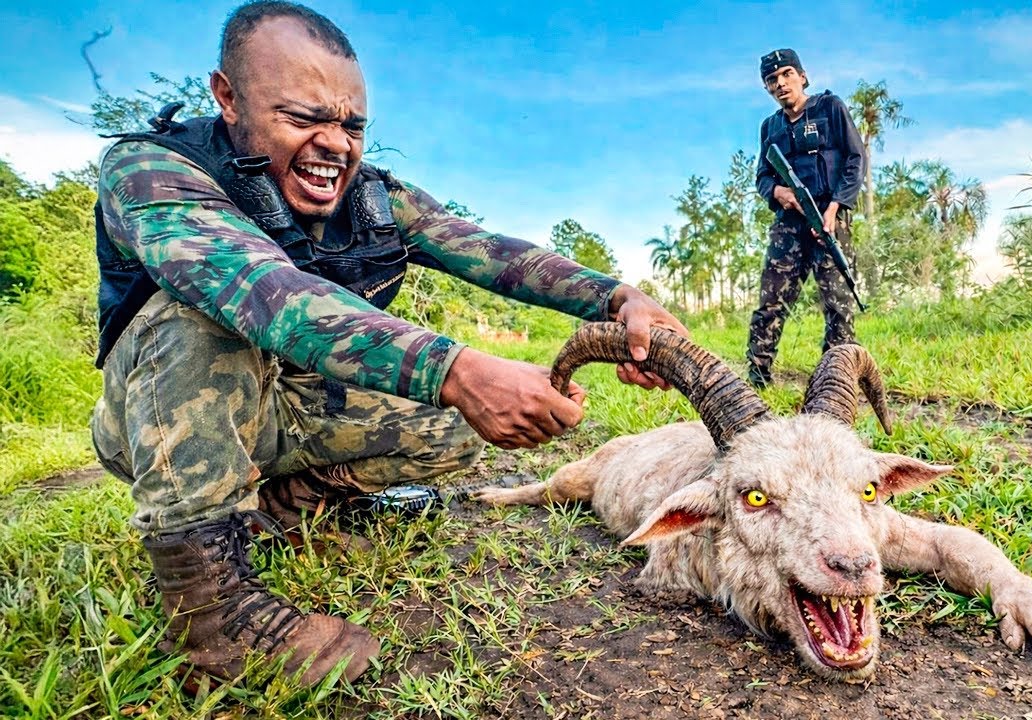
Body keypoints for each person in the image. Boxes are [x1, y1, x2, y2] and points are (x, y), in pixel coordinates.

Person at [90, 0, 686, 689]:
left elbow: (495, 253)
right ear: (227, 96)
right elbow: (263, 290)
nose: (334, 145)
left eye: (351, 125)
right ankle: (210, 613)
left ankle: (282, 510)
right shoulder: (152, 171)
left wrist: (619, 299)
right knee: (196, 314)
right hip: (163, 421)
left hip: (291, 411)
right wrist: (458, 370)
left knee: (454, 427)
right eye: (303, 118)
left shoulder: (373, 198)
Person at [747, 48, 866, 389]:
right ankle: (757, 379)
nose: (781, 83)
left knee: (838, 304)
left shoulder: (830, 108)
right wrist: (779, 193)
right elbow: (762, 177)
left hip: (829, 219)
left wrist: (835, 208)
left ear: (802, 76)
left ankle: (838, 383)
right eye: (772, 80)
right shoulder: (770, 127)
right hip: (788, 226)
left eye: (786, 74)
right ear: (767, 88)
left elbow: (856, 159)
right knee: (770, 303)